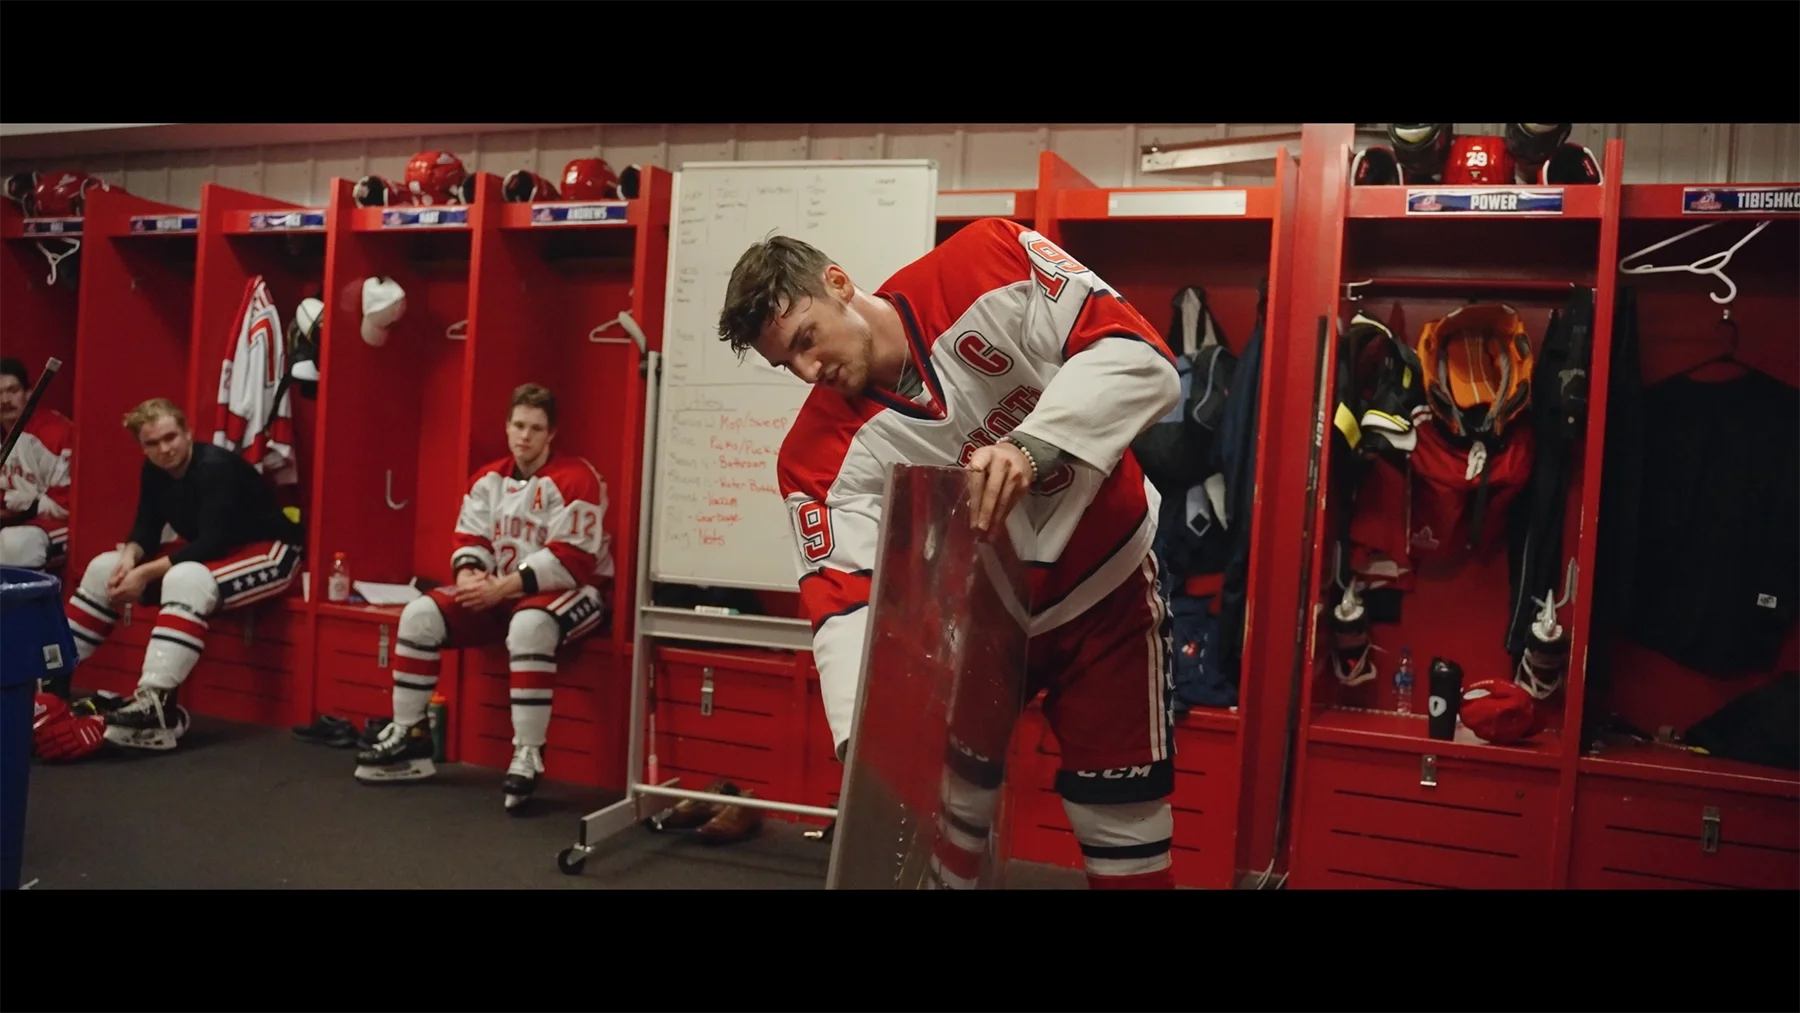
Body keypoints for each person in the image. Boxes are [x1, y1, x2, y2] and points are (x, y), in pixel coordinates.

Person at [716, 218, 1184, 890]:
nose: (808, 370)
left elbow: (1137, 357)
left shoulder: (985, 260)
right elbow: (846, 604)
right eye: (786, 364)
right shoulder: (812, 458)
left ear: (839, 284)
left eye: (806, 339)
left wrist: (1033, 445)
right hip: (979, 633)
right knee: (944, 831)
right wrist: (867, 746)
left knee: (1121, 818)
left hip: (1104, 587)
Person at [353, 383, 614, 814]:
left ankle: (528, 752)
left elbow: (573, 562)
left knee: (529, 625)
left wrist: (499, 588)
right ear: (507, 426)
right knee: (419, 615)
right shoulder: (488, 479)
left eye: (535, 428)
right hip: (505, 593)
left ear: (551, 434)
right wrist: (470, 578)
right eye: (518, 425)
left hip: (577, 594)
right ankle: (410, 734)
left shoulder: (577, 478)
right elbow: (470, 539)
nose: (524, 435)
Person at [59, 398, 305, 747]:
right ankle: (51, 680)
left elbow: (215, 541)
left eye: (171, 437)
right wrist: (129, 558)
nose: (165, 449)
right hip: (216, 551)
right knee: (104, 568)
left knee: (185, 578)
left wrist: (144, 575)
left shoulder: (214, 467)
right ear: (142, 447)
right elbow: (146, 527)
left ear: (188, 433)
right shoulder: (154, 470)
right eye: (153, 443)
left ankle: (155, 705)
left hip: (272, 551)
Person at [0, 357, 74, 572]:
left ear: (28, 393)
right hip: (14, 523)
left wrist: (28, 506)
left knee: (15, 543)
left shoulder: (56, 434)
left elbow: (66, 506)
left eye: (13, 390)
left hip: (57, 525)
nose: (5, 400)